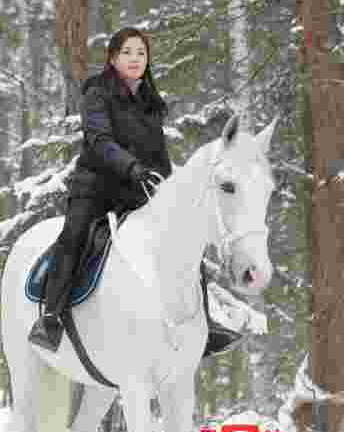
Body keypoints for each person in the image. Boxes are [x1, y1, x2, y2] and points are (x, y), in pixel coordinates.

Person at [27, 27, 242, 357]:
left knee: (185, 235)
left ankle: (206, 323)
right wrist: (131, 167)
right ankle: (51, 318)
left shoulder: (151, 102)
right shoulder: (96, 94)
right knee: (75, 234)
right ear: (113, 58)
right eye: (127, 52)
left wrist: (173, 190)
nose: (135, 58)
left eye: (141, 53)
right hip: (96, 187)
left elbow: (160, 157)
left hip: (139, 190)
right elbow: (99, 142)